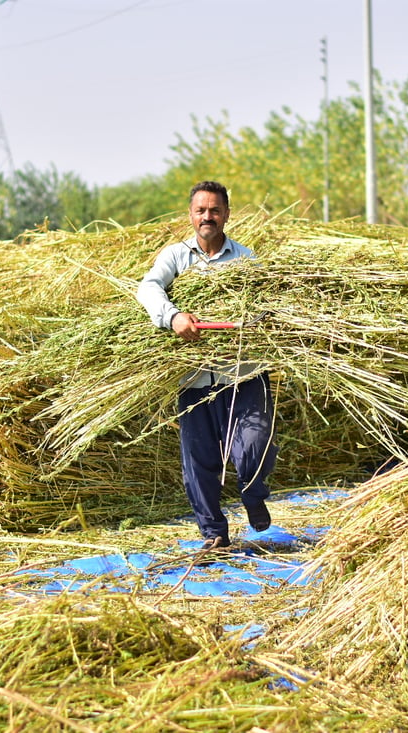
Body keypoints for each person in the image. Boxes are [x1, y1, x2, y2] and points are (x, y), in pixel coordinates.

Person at [136, 180, 277, 550]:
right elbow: (148, 288)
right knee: (199, 463)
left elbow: (266, 307)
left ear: (227, 214)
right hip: (194, 379)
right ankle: (214, 533)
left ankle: (252, 494)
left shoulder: (246, 260)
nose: (208, 217)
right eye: (201, 210)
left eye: (215, 210)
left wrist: (249, 322)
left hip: (243, 375)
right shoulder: (176, 257)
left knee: (255, 445)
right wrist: (173, 316)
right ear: (191, 215)